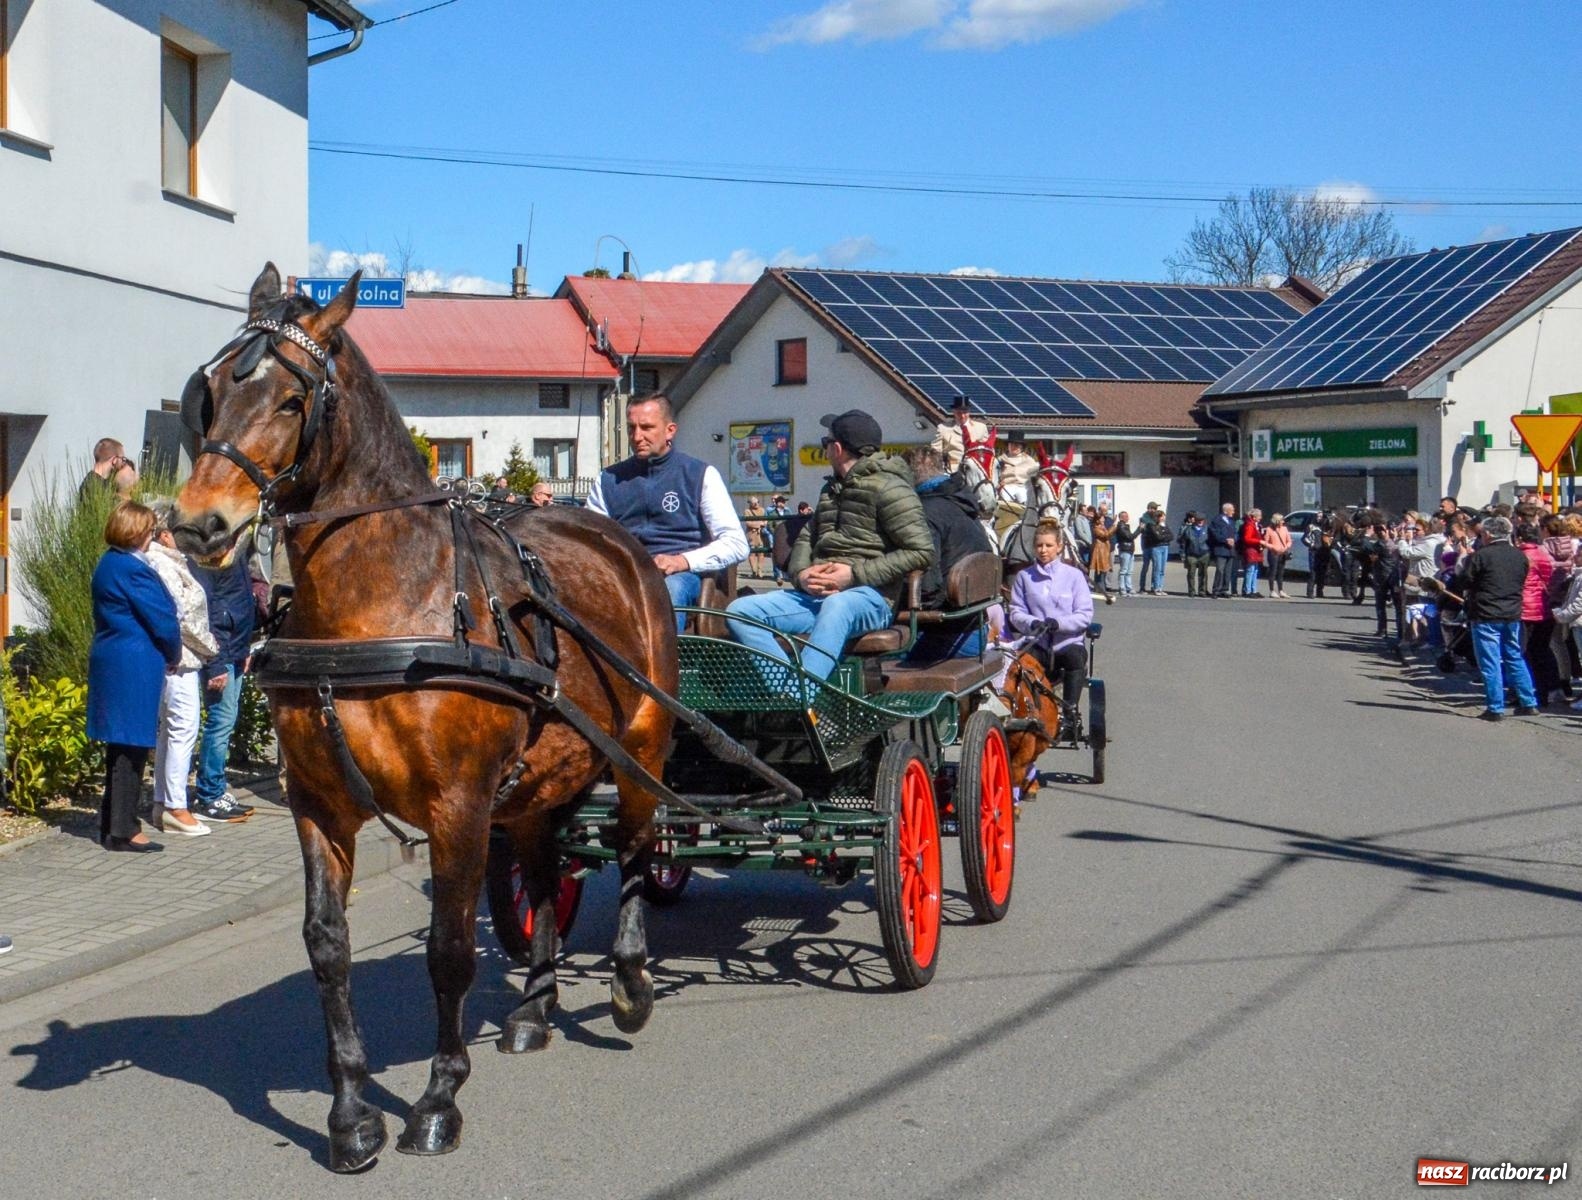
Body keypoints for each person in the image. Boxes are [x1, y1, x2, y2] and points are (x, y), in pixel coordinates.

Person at [726, 410, 933, 681]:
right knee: (740, 611)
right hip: (816, 598)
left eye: (826, 442)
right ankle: (783, 689)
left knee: (838, 605)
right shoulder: (831, 490)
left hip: (870, 599)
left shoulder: (892, 489)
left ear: (836, 449)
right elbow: (805, 538)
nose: (825, 448)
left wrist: (854, 575)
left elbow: (921, 552)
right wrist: (801, 575)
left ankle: (805, 691)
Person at [585, 393, 749, 631]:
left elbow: (736, 544)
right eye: (632, 428)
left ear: (670, 430)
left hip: (682, 577)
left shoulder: (700, 474)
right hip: (623, 573)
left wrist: (682, 561)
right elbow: (591, 539)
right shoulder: (608, 480)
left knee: (669, 591)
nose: (637, 436)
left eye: (647, 428)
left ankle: (666, 666)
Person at [87, 502, 183, 852]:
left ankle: (111, 823)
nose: (151, 535)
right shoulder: (132, 568)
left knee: (120, 745)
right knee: (132, 746)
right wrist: (174, 653)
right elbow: (162, 618)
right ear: (135, 532)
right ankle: (124, 830)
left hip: (114, 657)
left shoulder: (108, 562)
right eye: (147, 529)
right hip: (134, 662)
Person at [145, 503, 219, 837]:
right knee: (182, 729)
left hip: (180, 658)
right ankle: (176, 806)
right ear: (164, 534)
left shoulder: (172, 561)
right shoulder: (162, 563)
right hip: (181, 658)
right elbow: (182, 616)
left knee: (171, 731)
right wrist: (211, 647)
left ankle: (164, 801)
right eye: (181, 532)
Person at [901, 446, 994, 661]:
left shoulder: (924, 513)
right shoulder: (963, 504)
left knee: (860, 653)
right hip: (976, 627)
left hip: (947, 634)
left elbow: (926, 588)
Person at [189, 543, 258, 823]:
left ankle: (214, 788)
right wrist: (216, 663)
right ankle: (208, 795)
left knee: (226, 721)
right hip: (222, 652)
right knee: (220, 721)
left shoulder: (234, 551)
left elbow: (241, 601)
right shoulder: (208, 556)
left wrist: (245, 649)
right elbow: (210, 613)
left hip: (235, 650)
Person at [1459, 515, 1539, 721]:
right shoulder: (1519, 556)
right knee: (1514, 656)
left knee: (1490, 661)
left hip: (1486, 613)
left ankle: (1495, 707)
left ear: (1487, 534)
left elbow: (1465, 581)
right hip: (1512, 612)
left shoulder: (1480, 556)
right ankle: (1529, 702)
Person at [1007, 522, 1093, 710]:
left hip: (1067, 642)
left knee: (1075, 658)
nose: (1043, 550)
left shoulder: (1074, 576)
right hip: (1037, 642)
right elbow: (1016, 612)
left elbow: (1084, 614)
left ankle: (1070, 713)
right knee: (1020, 663)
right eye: (1039, 545)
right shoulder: (1024, 577)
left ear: (1059, 547)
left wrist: (1059, 624)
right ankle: (1029, 710)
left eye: (1049, 545)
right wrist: (1032, 623)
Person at [1516, 523, 1563, 704]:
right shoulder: (1542, 554)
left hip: (1526, 608)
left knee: (1526, 652)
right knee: (1543, 649)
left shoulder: (1521, 556)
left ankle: (1534, 691)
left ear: (1519, 538)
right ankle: (1553, 687)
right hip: (1543, 605)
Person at [78, 438, 132, 503]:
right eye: (122, 459)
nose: (123, 463)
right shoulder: (93, 485)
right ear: (114, 460)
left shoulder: (101, 482)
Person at [1208, 502, 1238, 598]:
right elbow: (1214, 533)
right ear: (1226, 511)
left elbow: (1236, 533)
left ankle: (1224, 590)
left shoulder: (1232, 521)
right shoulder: (1217, 521)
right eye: (1232, 510)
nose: (1233, 512)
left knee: (1228, 571)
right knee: (1220, 570)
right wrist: (1225, 540)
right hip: (1221, 549)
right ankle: (1216, 590)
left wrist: (1234, 539)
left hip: (1230, 550)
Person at [1178, 512, 1211, 597]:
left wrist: (1210, 553)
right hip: (1191, 554)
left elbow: (1211, 542)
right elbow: (1183, 543)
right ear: (1195, 520)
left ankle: (1202, 591)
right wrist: (1183, 555)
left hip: (1204, 554)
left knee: (1203, 574)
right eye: (1199, 520)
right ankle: (1191, 591)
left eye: (1202, 520)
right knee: (1191, 574)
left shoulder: (1207, 529)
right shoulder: (1188, 529)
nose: (1201, 522)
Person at [997, 440, 1038, 505]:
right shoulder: (1000, 459)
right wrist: (998, 483)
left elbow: (1037, 472)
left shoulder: (1028, 460)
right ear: (1008, 446)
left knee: (1024, 498)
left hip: (1022, 486)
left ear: (1021, 447)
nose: (1014, 447)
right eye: (1011, 445)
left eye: (1017, 445)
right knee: (1005, 499)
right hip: (1007, 486)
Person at [1089, 503, 1115, 605]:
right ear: (1098, 520)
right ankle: (1100, 588)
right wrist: (1114, 526)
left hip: (1105, 549)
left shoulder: (1102, 526)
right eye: (1102, 519)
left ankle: (1102, 588)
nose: (1104, 520)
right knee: (1099, 570)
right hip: (1099, 550)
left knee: (1104, 570)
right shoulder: (1096, 527)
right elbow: (1105, 535)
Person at [1304, 511, 1334, 598]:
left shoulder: (1326, 528)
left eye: (1321, 517)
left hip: (1324, 552)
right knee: (1313, 572)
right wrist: (1312, 545)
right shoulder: (1311, 527)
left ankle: (1319, 592)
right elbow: (1305, 538)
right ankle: (1310, 592)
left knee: (1323, 573)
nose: (1320, 518)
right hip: (1314, 552)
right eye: (1318, 516)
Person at [1263, 513, 1293, 598]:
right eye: (1281, 520)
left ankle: (1281, 590)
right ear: (1277, 521)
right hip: (1273, 553)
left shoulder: (1284, 529)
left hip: (1282, 553)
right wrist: (1274, 547)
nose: (1283, 522)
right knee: (1273, 572)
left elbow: (1289, 540)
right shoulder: (1269, 529)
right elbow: (1266, 542)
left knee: (1281, 572)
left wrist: (1286, 547)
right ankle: (1272, 590)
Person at [1239, 508, 1265, 597]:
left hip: (1256, 550)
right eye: (1259, 516)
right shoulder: (1249, 525)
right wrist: (1259, 541)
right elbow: (1247, 538)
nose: (1260, 518)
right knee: (1250, 570)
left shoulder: (1256, 525)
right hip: (1250, 550)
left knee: (1255, 570)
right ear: (1254, 517)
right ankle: (1247, 590)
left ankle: (1253, 589)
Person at [742, 497, 769, 579]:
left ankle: (759, 570)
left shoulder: (762, 510)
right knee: (752, 552)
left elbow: (765, 520)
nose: (757, 504)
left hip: (760, 534)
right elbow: (748, 523)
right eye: (754, 503)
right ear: (750, 504)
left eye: (758, 502)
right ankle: (753, 570)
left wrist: (762, 524)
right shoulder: (747, 511)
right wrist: (758, 524)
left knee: (761, 552)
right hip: (751, 534)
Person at [1112, 511, 1136, 597]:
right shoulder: (1121, 526)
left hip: (1130, 550)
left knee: (1129, 571)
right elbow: (1129, 537)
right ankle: (1122, 588)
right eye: (1125, 516)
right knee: (1124, 570)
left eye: (1128, 516)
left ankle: (1128, 587)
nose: (1127, 518)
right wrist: (1139, 529)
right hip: (1125, 549)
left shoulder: (1125, 526)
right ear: (1121, 517)